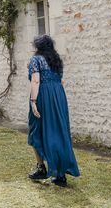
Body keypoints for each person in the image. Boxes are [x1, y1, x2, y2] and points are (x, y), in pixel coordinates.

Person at [26, 35, 79, 187]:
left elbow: (36, 80)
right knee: (59, 133)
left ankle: (41, 168)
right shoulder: (57, 61)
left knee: (36, 130)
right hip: (58, 96)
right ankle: (60, 175)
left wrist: (33, 101)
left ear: (38, 47)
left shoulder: (36, 60)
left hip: (43, 96)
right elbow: (61, 81)